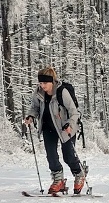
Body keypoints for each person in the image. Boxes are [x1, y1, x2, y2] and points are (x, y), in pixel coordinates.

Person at [24, 67, 87, 195]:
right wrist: (30, 116)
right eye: (40, 83)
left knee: (68, 155)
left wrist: (70, 124)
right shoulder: (39, 92)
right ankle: (58, 180)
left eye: (45, 83)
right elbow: (34, 108)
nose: (42, 86)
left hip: (65, 127)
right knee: (51, 155)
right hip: (48, 126)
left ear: (52, 81)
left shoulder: (62, 92)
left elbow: (74, 112)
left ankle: (79, 174)